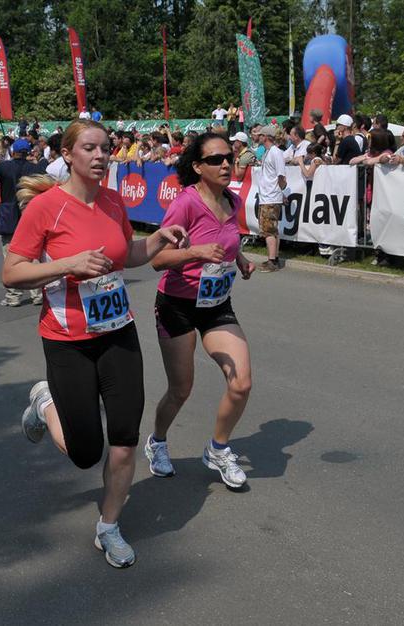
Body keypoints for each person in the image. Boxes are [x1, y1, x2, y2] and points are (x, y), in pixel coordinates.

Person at [5, 119, 188, 569]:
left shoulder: (112, 201)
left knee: (124, 441)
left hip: (117, 332)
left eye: (107, 147)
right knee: (87, 453)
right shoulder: (46, 208)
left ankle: (109, 527)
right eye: (90, 147)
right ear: (68, 154)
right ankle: (44, 400)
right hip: (67, 339)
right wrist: (68, 263)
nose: (102, 155)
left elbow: (128, 255)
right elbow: (12, 272)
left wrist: (157, 241)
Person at [144, 133, 255, 486]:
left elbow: (226, 240)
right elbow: (157, 259)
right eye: (216, 159)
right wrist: (195, 253)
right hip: (177, 304)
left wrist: (239, 258)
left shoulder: (233, 202)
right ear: (197, 167)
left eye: (229, 157)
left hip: (216, 303)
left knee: (241, 383)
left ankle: (218, 449)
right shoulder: (185, 204)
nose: (225, 163)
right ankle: (157, 441)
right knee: (181, 389)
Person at [0, 138, 46, 307]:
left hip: (8, 212)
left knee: (10, 255)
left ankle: (14, 296)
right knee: (33, 254)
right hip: (29, 213)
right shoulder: (35, 168)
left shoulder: (4, 166)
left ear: (13, 151)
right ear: (28, 152)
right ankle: (38, 294)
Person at [255, 125, 287, 272]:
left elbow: (281, 176)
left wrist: (280, 191)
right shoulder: (268, 152)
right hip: (267, 196)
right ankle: (274, 258)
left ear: (266, 137)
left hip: (271, 197)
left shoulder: (275, 152)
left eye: (260, 135)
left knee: (268, 231)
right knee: (272, 230)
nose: (258, 137)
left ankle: (272, 261)